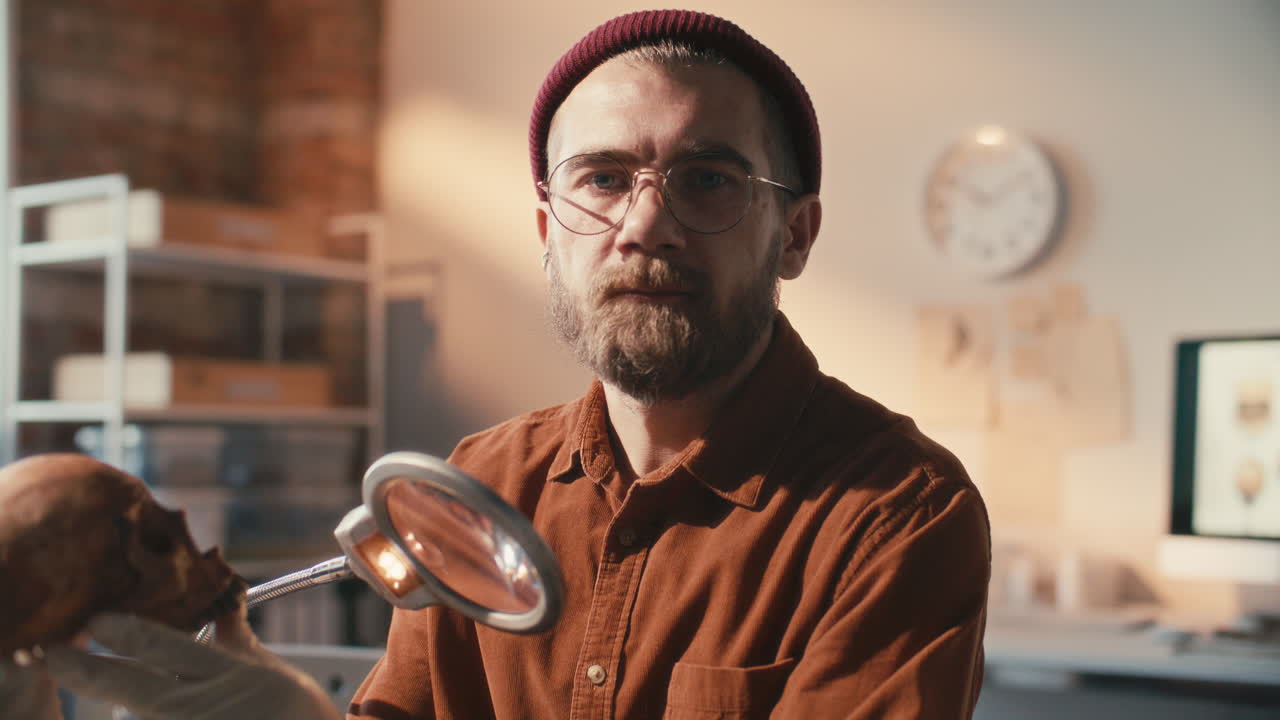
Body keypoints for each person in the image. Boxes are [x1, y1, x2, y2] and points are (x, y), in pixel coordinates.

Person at [0, 9, 989, 720]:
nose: (644, 223)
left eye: (706, 180)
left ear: (794, 235)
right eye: (601, 179)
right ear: (546, 230)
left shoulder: (896, 518)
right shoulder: (478, 486)